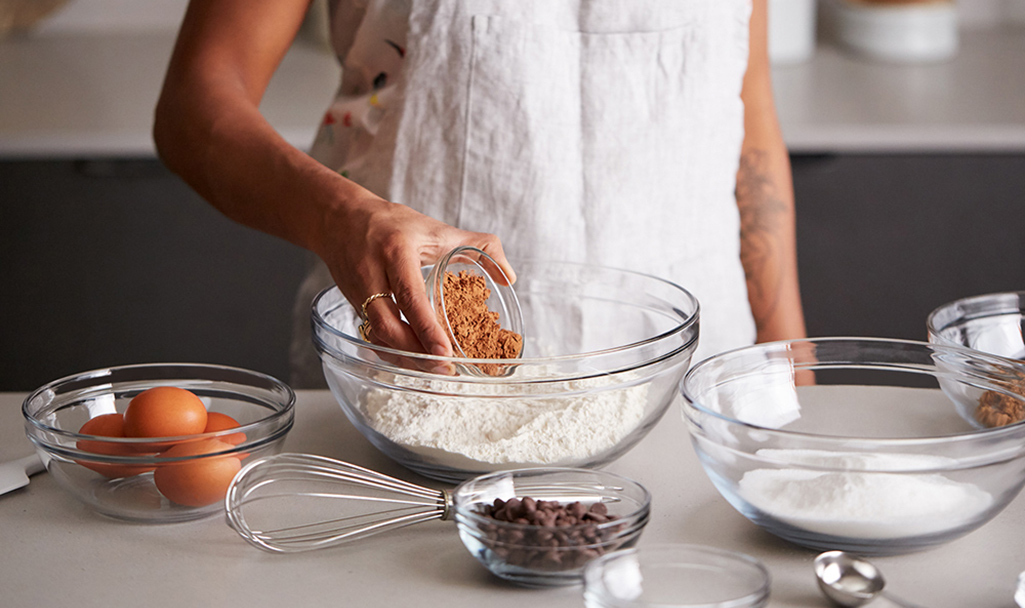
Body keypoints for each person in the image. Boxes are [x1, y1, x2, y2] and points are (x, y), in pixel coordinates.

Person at [154, 0, 807, 388]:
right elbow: (194, 107)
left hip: (701, 381)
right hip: (415, 378)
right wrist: (341, 217)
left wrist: (789, 363)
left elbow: (744, 109)